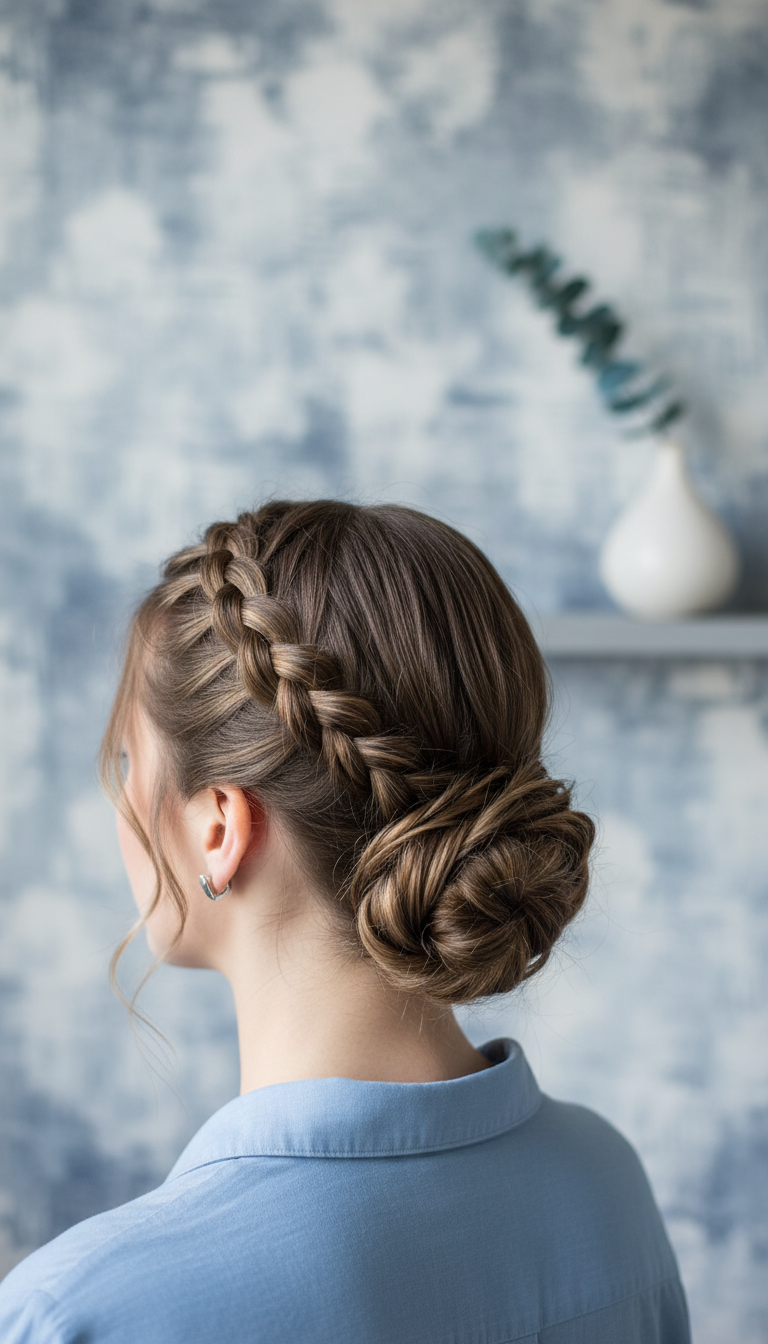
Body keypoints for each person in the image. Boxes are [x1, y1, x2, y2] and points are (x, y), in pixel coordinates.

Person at [0, 499, 690, 1342]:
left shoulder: (83, 1314)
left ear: (219, 826)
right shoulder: (604, 1189)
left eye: (128, 762)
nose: (118, 803)